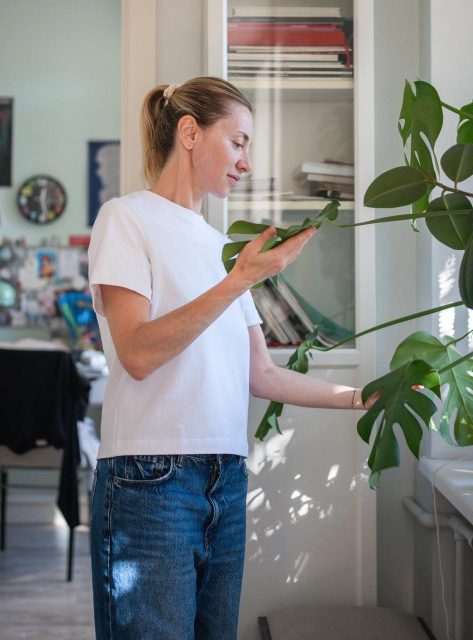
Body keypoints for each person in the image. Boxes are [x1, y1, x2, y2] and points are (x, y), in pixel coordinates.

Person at [87, 76, 380, 640]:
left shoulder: (221, 245)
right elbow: (139, 352)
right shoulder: (125, 219)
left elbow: (262, 374)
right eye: (239, 141)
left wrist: (361, 398)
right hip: (150, 481)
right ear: (190, 132)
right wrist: (241, 278)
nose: (246, 161)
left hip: (224, 478)